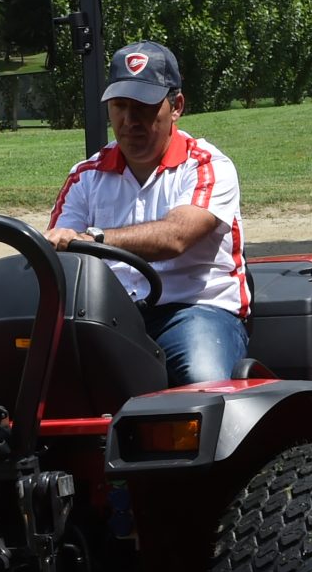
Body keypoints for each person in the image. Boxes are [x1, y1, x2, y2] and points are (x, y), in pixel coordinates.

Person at [44, 41, 248, 386]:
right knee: (25, 373)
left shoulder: (207, 167)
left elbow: (177, 237)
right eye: (120, 106)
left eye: (143, 107)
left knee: (202, 377)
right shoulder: (85, 176)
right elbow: (57, 247)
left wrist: (94, 238)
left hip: (195, 312)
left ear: (176, 106)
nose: (129, 120)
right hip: (106, 317)